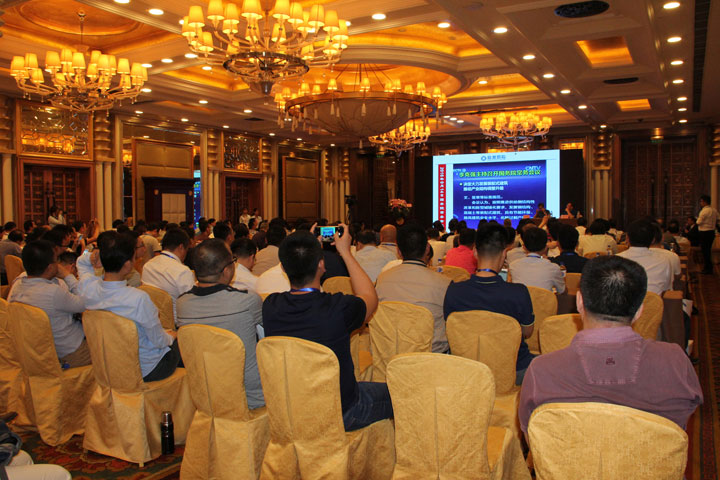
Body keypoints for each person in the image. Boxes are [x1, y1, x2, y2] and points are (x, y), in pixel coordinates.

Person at [518, 255, 702, 433]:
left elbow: (532, 436)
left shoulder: (542, 370)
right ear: (639, 311)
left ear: (579, 302)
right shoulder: (675, 361)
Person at [263, 227, 393, 431]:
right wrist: (346, 252)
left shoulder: (271, 306)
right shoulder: (338, 308)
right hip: (341, 411)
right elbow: (370, 297)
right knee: (400, 392)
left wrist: (306, 246)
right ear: (321, 264)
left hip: (292, 407)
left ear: (284, 269)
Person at [78, 231, 179, 382]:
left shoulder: (89, 289)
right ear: (127, 265)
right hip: (145, 369)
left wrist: (92, 257)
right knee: (181, 341)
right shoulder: (138, 298)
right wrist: (172, 336)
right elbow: (159, 341)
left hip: (110, 365)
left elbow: (81, 263)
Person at [176, 239, 264, 409]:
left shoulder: (182, 304)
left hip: (204, 392)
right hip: (249, 395)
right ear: (227, 270)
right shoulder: (247, 301)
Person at [444, 223, 536, 384]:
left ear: (474, 252)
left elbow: (451, 329)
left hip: (467, 371)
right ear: (504, 254)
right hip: (514, 371)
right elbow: (527, 332)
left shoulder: (454, 291)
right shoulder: (519, 292)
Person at [9, 240, 90, 367]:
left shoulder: (17, 285)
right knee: (110, 345)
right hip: (70, 352)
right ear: (50, 267)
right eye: (56, 260)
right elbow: (86, 302)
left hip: (37, 351)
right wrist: (68, 276)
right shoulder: (53, 293)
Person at [376, 224, 451, 353]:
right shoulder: (445, 284)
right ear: (427, 249)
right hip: (431, 358)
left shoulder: (382, 279)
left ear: (398, 251)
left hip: (391, 355)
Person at [141, 228, 196, 318]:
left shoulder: (148, 265)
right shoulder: (182, 271)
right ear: (181, 247)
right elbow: (191, 304)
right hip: (175, 320)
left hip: (153, 317)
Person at [617, 220, 673, 295]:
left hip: (624, 302)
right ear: (653, 240)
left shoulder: (615, 260)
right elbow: (666, 288)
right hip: (653, 302)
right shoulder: (664, 260)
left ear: (627, 239)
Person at [509, 227, 566, 293]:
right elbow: (562, 290)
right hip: (544, 300)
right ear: (545, 247)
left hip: (520, 299)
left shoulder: (513, 266)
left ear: (524, 247)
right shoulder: (553, 268)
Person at [697, 195, 719, 274]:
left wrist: (697, 220)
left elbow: (698, 222)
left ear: (704, 202)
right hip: (711, 232)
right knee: (708, 251)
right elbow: (718, 219)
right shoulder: (714, 210)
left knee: (705, 251)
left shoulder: (704, 211)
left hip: (704, 232)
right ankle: (709, 267)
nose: (700, 203)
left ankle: (708, 268)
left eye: (701, 201)